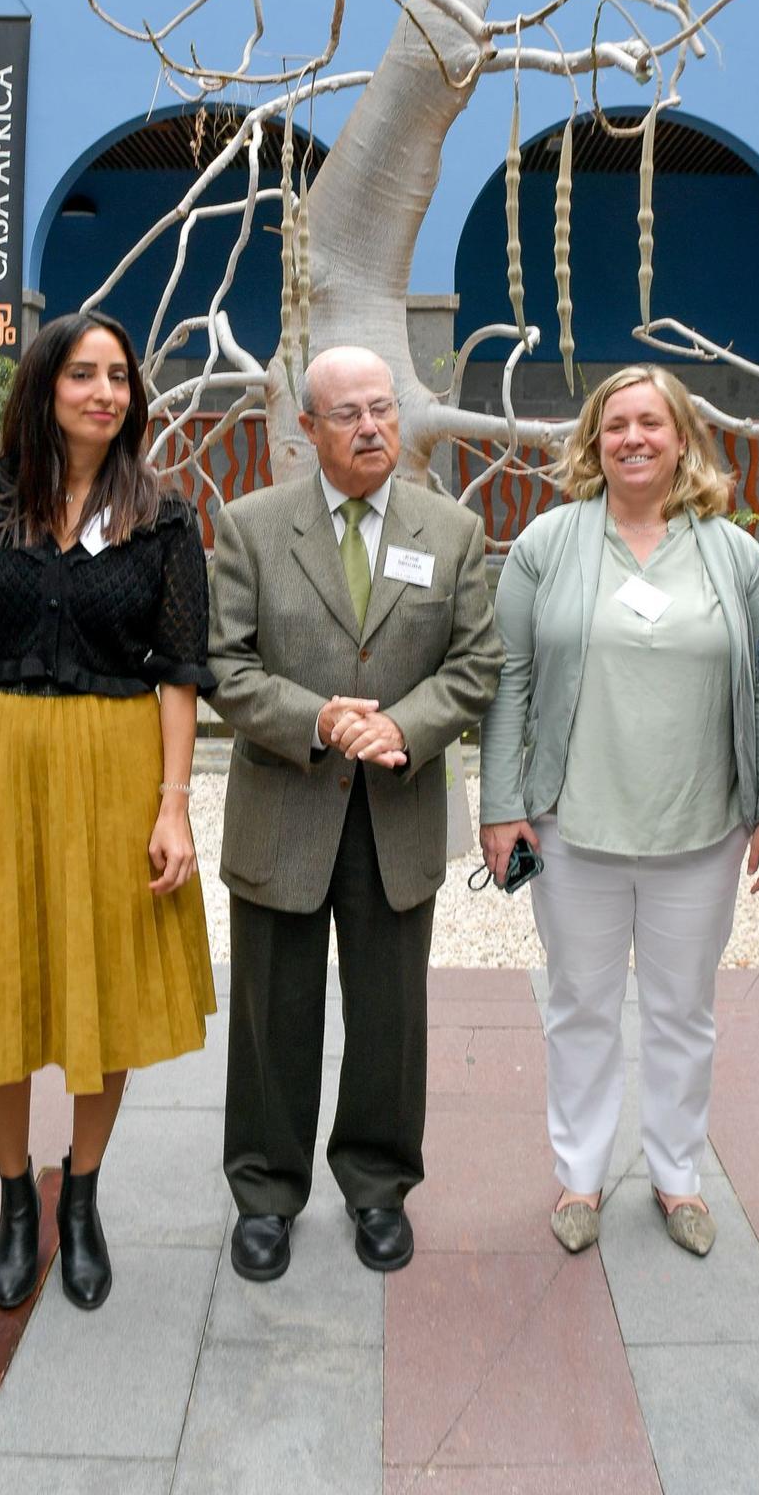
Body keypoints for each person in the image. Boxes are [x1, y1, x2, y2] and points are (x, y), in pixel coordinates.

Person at [479, 365, 759, 1260]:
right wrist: (502, 806)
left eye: (651, 423)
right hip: (574, 829)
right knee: (579, 1003)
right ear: (593, 440)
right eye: (615, 425)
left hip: (700, 829)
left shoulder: (735, 554)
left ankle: (677, 1175)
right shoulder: (547, 543)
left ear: (683, 439)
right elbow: (508, 680)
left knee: (683, 1011)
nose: (633, 439)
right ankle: (580, 1174)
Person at [0, 311, 215, 1313]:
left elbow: (182, 669)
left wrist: (173, 804)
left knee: (109, 982)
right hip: (3, 752)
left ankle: (82, 1192)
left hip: (118, 752)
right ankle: (16, 1198)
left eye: (119, 375)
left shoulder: (162, 511)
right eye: (83, 373)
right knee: (2, 979)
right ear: (45, 385)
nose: (104, 390)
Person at [207, 346, 503, 1281]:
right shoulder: (251, 527)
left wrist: (404, 730)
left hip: (397, 811)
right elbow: (225, 665)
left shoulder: (450, 530)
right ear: (309, 428)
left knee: (390, 1018)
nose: (373, 427)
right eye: (349, 414)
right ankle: (265, 1192)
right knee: (271, 1016)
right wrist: (319, 719)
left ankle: (378, 1185)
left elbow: (476, 665)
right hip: (285, 806)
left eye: (383, 409)